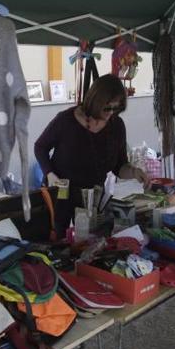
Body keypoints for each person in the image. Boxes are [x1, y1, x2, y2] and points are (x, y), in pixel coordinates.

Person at [34, 74, 149, 234]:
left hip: (92, 198)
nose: (111, 113)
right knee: (56, 241)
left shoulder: (116, 126)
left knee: (91, 243)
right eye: (107, 108)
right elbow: (40, 147)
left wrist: (135, 172)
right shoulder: (66, 120)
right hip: (60, 194)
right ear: (96, 101)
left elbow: (119, 167)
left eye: (116, 108)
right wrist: (50, 174)